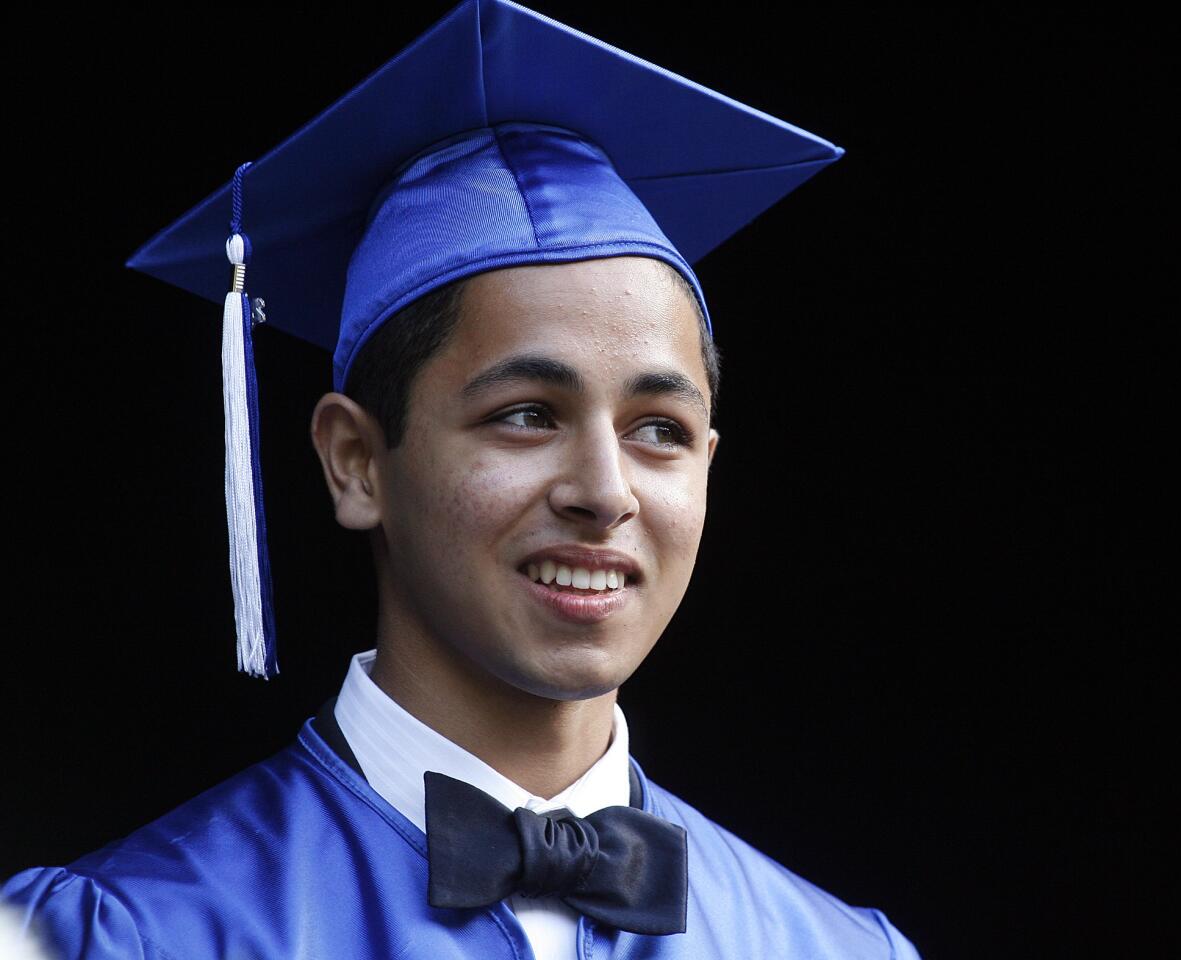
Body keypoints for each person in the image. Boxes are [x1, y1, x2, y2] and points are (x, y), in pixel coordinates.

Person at [2, 2, 921, 957]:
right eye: (527, 415)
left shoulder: (832, 945)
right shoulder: (128, 935)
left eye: (659, 430)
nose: (606, 492)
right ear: (356, 462)